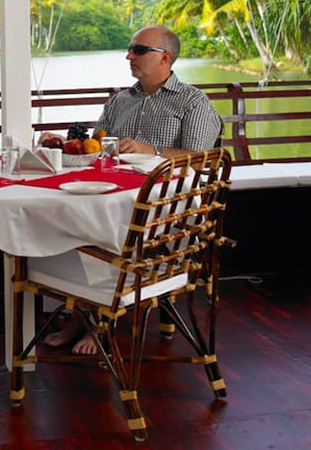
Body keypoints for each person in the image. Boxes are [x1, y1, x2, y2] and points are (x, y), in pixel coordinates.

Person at [40, 25, 223, 354]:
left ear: (164, 58)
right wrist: (62, 143)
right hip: (115, 194)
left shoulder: (193, 102)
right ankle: (88, 311)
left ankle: (94, 319)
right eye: (130, 49)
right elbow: (94, 148)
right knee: (69, 216)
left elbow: (201, 160)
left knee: (94, 225)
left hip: (166, 206)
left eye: (138, 50)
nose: (129, 56)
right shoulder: (120, 100)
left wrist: (150, 149)